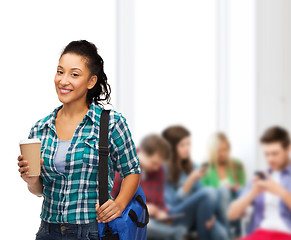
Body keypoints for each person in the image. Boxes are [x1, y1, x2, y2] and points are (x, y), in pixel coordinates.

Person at [17, 40, 142, 240]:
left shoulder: (110, 123)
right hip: (48, 231)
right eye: (60, 72)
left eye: (74, 74)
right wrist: (31, 181)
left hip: (92, 231)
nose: (63, 80)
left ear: (91, 81)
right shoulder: (40, 129)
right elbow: (39, 190)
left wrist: (118, 204)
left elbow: (132, 170)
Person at [111, 134, 187, 240]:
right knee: (144, 222)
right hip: (129, 217)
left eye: (159, 164)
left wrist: (162, 213)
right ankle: (174, 233)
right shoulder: (123, 166)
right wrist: (144, 208)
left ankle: (174, 232)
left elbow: (159, 200)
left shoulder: (158, 170)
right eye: (154, 163)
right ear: (142, 152)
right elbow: (112, 202)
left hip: (153, 219)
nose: (156, 168)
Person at [162, 125, 228, 240]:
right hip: (177, 216)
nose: (187, 148)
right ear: (171, 147)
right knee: (210, 192)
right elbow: (172, 205)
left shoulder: (193, 167)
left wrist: (210, 214)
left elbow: (203, 197)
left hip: (198, 215)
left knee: (221, 234)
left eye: (189, 144)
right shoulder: (163, 169)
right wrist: (190, 181)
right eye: (182, 145)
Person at [228, 126, 291, 240]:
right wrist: (252, 193)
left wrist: (280, 192)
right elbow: (231, 215)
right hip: (260, 233)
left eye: (275, 153)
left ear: (288, 149)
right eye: (266, 154)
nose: (270, 159)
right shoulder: (260, 177)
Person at [201, 132, 246, 238]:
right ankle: (229, 233)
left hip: (234, 204)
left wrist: (236, 187)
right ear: (212, 151)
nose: (222, 153)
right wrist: (223, 188)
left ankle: (239, 234)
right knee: (224, 191)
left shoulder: (236, 164)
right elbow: (205, 193)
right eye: (218, 150)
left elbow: (244, 187)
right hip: (217, 208)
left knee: (242, 191)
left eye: (225, 149)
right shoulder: (205, 168)